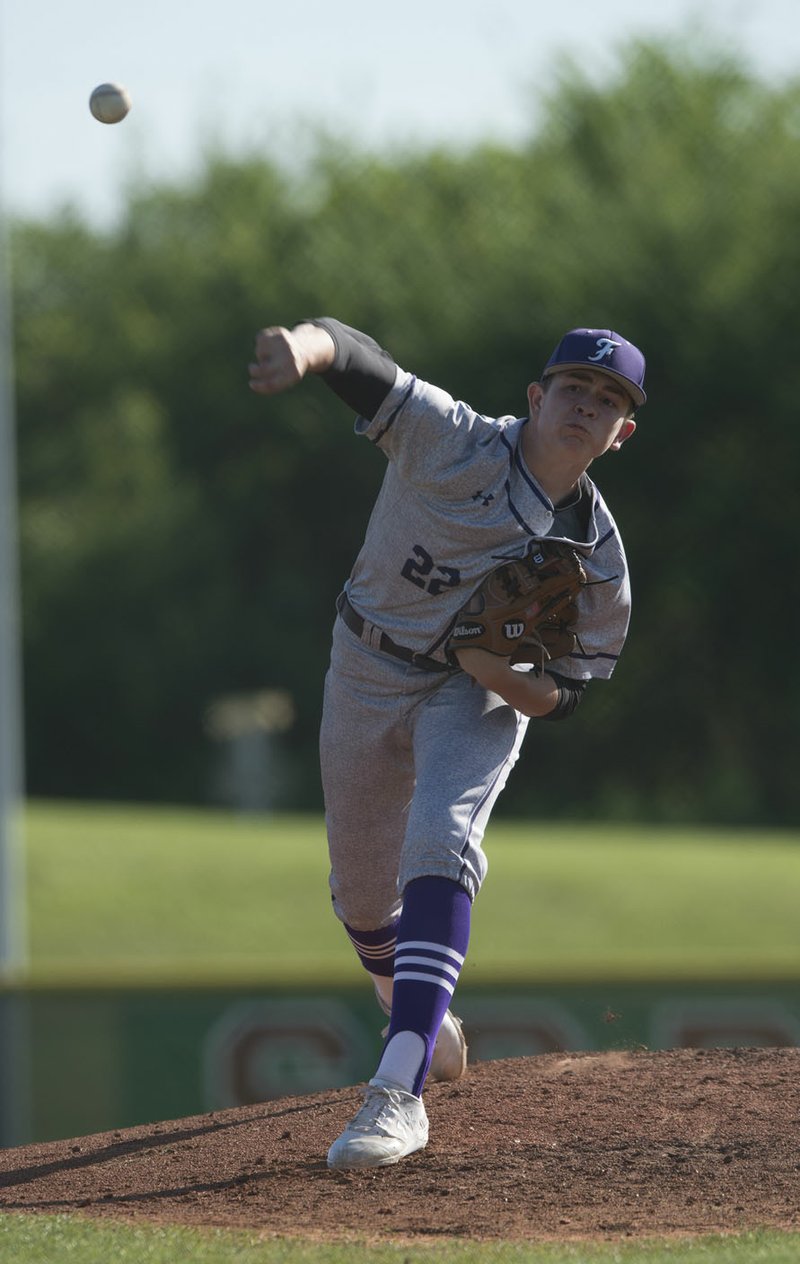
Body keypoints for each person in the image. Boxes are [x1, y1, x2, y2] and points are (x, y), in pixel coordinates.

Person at [248, 319, 645, 1169]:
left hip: (473, 696)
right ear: (537, 397)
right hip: (364, 666)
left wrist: (493, 672)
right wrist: (303, 347)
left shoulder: (599, 559)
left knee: (440, 840)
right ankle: (423, 1015)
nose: (588, 405)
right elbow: (360, 362)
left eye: (609, 400)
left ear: (622, 434)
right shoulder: (454, 441)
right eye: (575, 386)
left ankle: (398, 1090)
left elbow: (564, 694)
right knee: (359, 898)